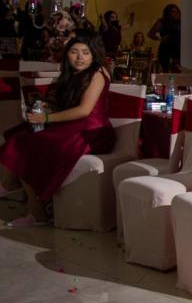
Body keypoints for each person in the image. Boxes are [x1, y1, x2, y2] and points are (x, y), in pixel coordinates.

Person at [0, 31, 115, 226]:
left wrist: (46, 117)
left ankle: (23, 198)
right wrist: (49, 108)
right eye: (74, 52)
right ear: (67, 54)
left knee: (26, 145)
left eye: (85, 53)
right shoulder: (74, 74)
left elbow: (84, 110)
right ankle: (22, 196)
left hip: (91, 132)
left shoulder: (97, 73)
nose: (79, 57)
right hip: (74, 126)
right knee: (18, 134)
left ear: (93, 54)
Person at [149, 3, 182, 72]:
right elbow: (150, 34)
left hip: (178, 50)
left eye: (177, 11)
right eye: (173, 11)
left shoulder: (181, 22)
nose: (176, 13)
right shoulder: (162, 22)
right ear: (168, 13)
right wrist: (160, 38)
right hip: (166, 50)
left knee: (178, 71)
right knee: (167, 71)